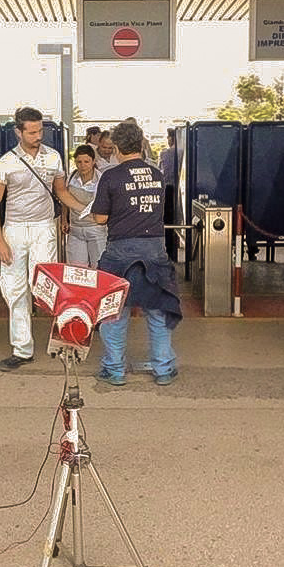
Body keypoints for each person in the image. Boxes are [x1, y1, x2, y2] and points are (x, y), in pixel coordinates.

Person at [0, 106, 86, 371]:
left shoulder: (53, 158)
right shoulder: (6, 162)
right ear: (18, 132)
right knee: (15, 289)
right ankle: (22, 349)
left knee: (48, 286)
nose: (37, 135)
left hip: (44, 227)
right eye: (31, 131)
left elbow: (62, 192)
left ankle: (65, 341)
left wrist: (84, 209)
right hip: (14, 230)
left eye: (40, 130)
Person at [91, 121, 180, 387]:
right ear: (141, 144)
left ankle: (114, 369)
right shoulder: (156, 174)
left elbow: (99, 218)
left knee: (114, 313)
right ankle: (163, 369)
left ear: (116, 148)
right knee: (158, 310)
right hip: (154, 251)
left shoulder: (111, 176)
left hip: (120, 253)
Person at [62, 145, 108, 267]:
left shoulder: (101, 179)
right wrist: (64, 220)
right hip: (75, 229)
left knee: (99, 268)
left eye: (86, 161)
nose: (82, 165)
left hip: (96, 229)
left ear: (93, 162)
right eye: (79, 162)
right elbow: (65, 201)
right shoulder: (71, 178)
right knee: (76, 270)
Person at [159, 127, 179, 261]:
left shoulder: (165, 154)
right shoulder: (184, 152)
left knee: (169, 220)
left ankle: (169, 251)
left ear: (171, 138)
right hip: (182, 189)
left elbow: (162, 171)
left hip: (168, 188)